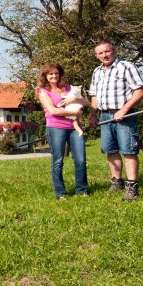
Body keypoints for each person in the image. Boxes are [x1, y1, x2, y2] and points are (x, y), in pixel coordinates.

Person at [87, 40, 143, 201]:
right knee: (110, 149)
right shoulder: (97, 72)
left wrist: (124, 109)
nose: (104, 55)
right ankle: (116, 182)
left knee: (128, 150)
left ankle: (132, 186)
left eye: (107, 51)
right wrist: (93, 115)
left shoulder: (127, 67)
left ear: (113, 51)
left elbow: (140, 91)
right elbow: (93, 96)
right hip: (105, 116)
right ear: (96, 56)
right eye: (100, 53)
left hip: (124, 116)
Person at [36, 62, 89, 200]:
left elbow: (86, 103)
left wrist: (74, 98)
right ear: (45, 76)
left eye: (56, 73)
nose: (54, 76)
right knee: (58, 160)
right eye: (50, 74)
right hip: (56, 127)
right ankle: (60, 193)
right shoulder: (43, 91)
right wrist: (73, 113)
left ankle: (82, 190)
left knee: (81, 160)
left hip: (75, 127)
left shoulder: (69, 88)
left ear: (60, 74)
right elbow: (53, 111)